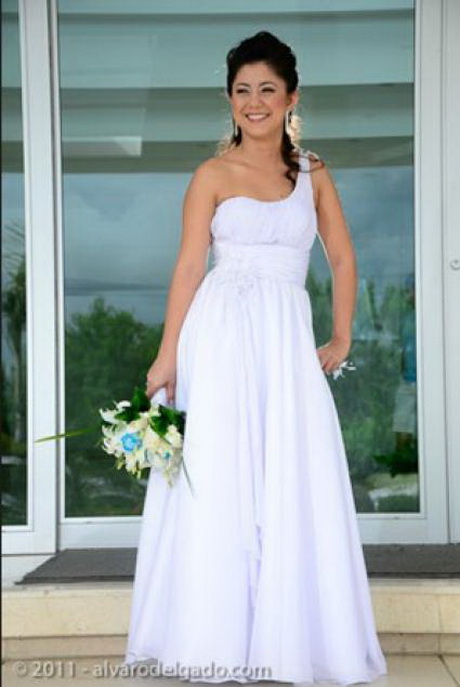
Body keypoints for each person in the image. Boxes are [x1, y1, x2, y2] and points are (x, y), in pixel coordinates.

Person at [123, 31, 388, 686]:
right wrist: (166, 358)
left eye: (268, 89)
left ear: (292, 97)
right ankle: (213, 636)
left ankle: (288, 637)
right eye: (243, 90)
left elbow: (344, 257)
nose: (255, 102)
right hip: (218, 338)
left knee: (292, 473)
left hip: (285, 339)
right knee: (221, 479)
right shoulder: (210, 176)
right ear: (229, 100)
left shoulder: (314, 174)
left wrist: (342, 335)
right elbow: (188, 266)